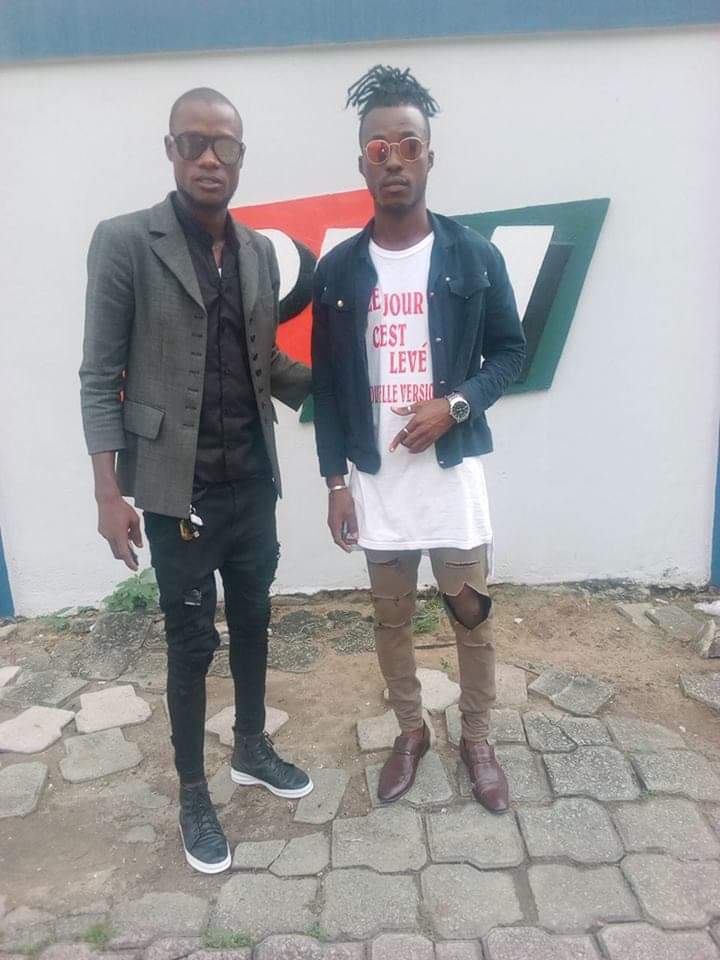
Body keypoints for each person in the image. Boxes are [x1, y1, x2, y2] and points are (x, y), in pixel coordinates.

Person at [80, 88, 313, 874]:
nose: (211, 158)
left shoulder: (257, 253)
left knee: (254, 620)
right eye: (194, 143)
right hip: (176, 489)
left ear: (242, 158)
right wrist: (109, 493)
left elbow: (263, 360)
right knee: (190, 643)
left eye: (226, 146)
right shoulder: (125, 242)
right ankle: (192, 792)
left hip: (252, 478)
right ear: (171, 151)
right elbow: (99, 376)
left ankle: (250, 747)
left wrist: (339, 387)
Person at [312, 66, 526, 813]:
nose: (394, 160)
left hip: (450, 476)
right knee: (391, 618)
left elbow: (511, 353)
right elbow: (328, 387)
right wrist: (335, 484)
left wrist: (455, 405)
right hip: (377, 482)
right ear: (362, 163)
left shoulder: (474, 256)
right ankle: (411, 731)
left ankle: (477, 738)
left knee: (471, 614)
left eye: (408, 145)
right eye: (380, 149)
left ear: (430, 156)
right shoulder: (338, 270)